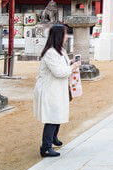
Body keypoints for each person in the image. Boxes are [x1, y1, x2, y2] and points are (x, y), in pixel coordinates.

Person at [33, 24, 80, 157]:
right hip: (50, 89)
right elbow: (59, 72)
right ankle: (46, 147)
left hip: (57, 88)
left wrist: (70, 63)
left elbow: (62, 66)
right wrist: (73, 67)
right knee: (52, 116)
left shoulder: (60, 50)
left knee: (58, 112)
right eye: (64, 34)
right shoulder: (50, 53)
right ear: (59, 36)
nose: (66, 36)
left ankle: (53, 137)